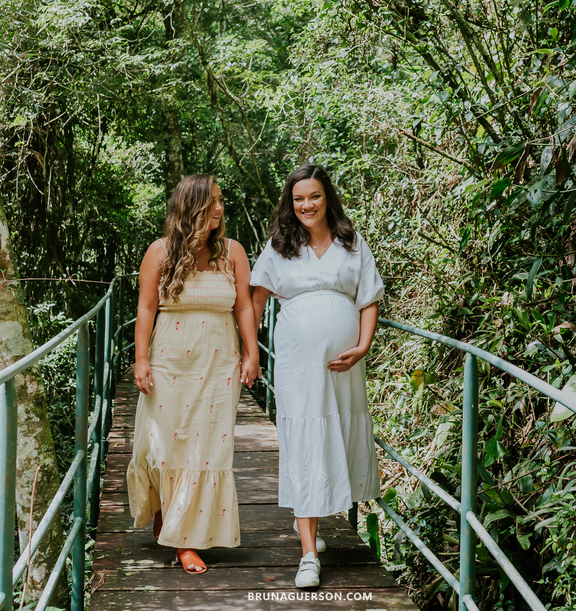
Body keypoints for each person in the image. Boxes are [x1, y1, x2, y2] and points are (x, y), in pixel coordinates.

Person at [250, 164, 384, 589]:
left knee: (335, 437)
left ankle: (311, 518)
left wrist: (362, 347)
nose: (306, 205)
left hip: (345, 363)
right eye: (298, 199)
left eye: (314, 196)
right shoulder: (279, 246)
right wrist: (248, 351)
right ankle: (308, 552)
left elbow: (368, 299)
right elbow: (255, 301)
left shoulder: (352, 241)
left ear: (328, 198)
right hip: (297, 362)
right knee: (306, 437)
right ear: (291, 204)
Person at [127, 175, 261, 574]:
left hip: (219, 364)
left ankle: (185, 539)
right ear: (191, 207)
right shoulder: (159, 252)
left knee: (205, 449)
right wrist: (141, 359)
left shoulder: (233, 252)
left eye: (221, 201)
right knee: (162, 445)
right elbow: (147, 308)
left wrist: (252, 352)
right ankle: (165, 509)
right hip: (169, 363)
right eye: (212, 202)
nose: (220, 209)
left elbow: (244, 308)